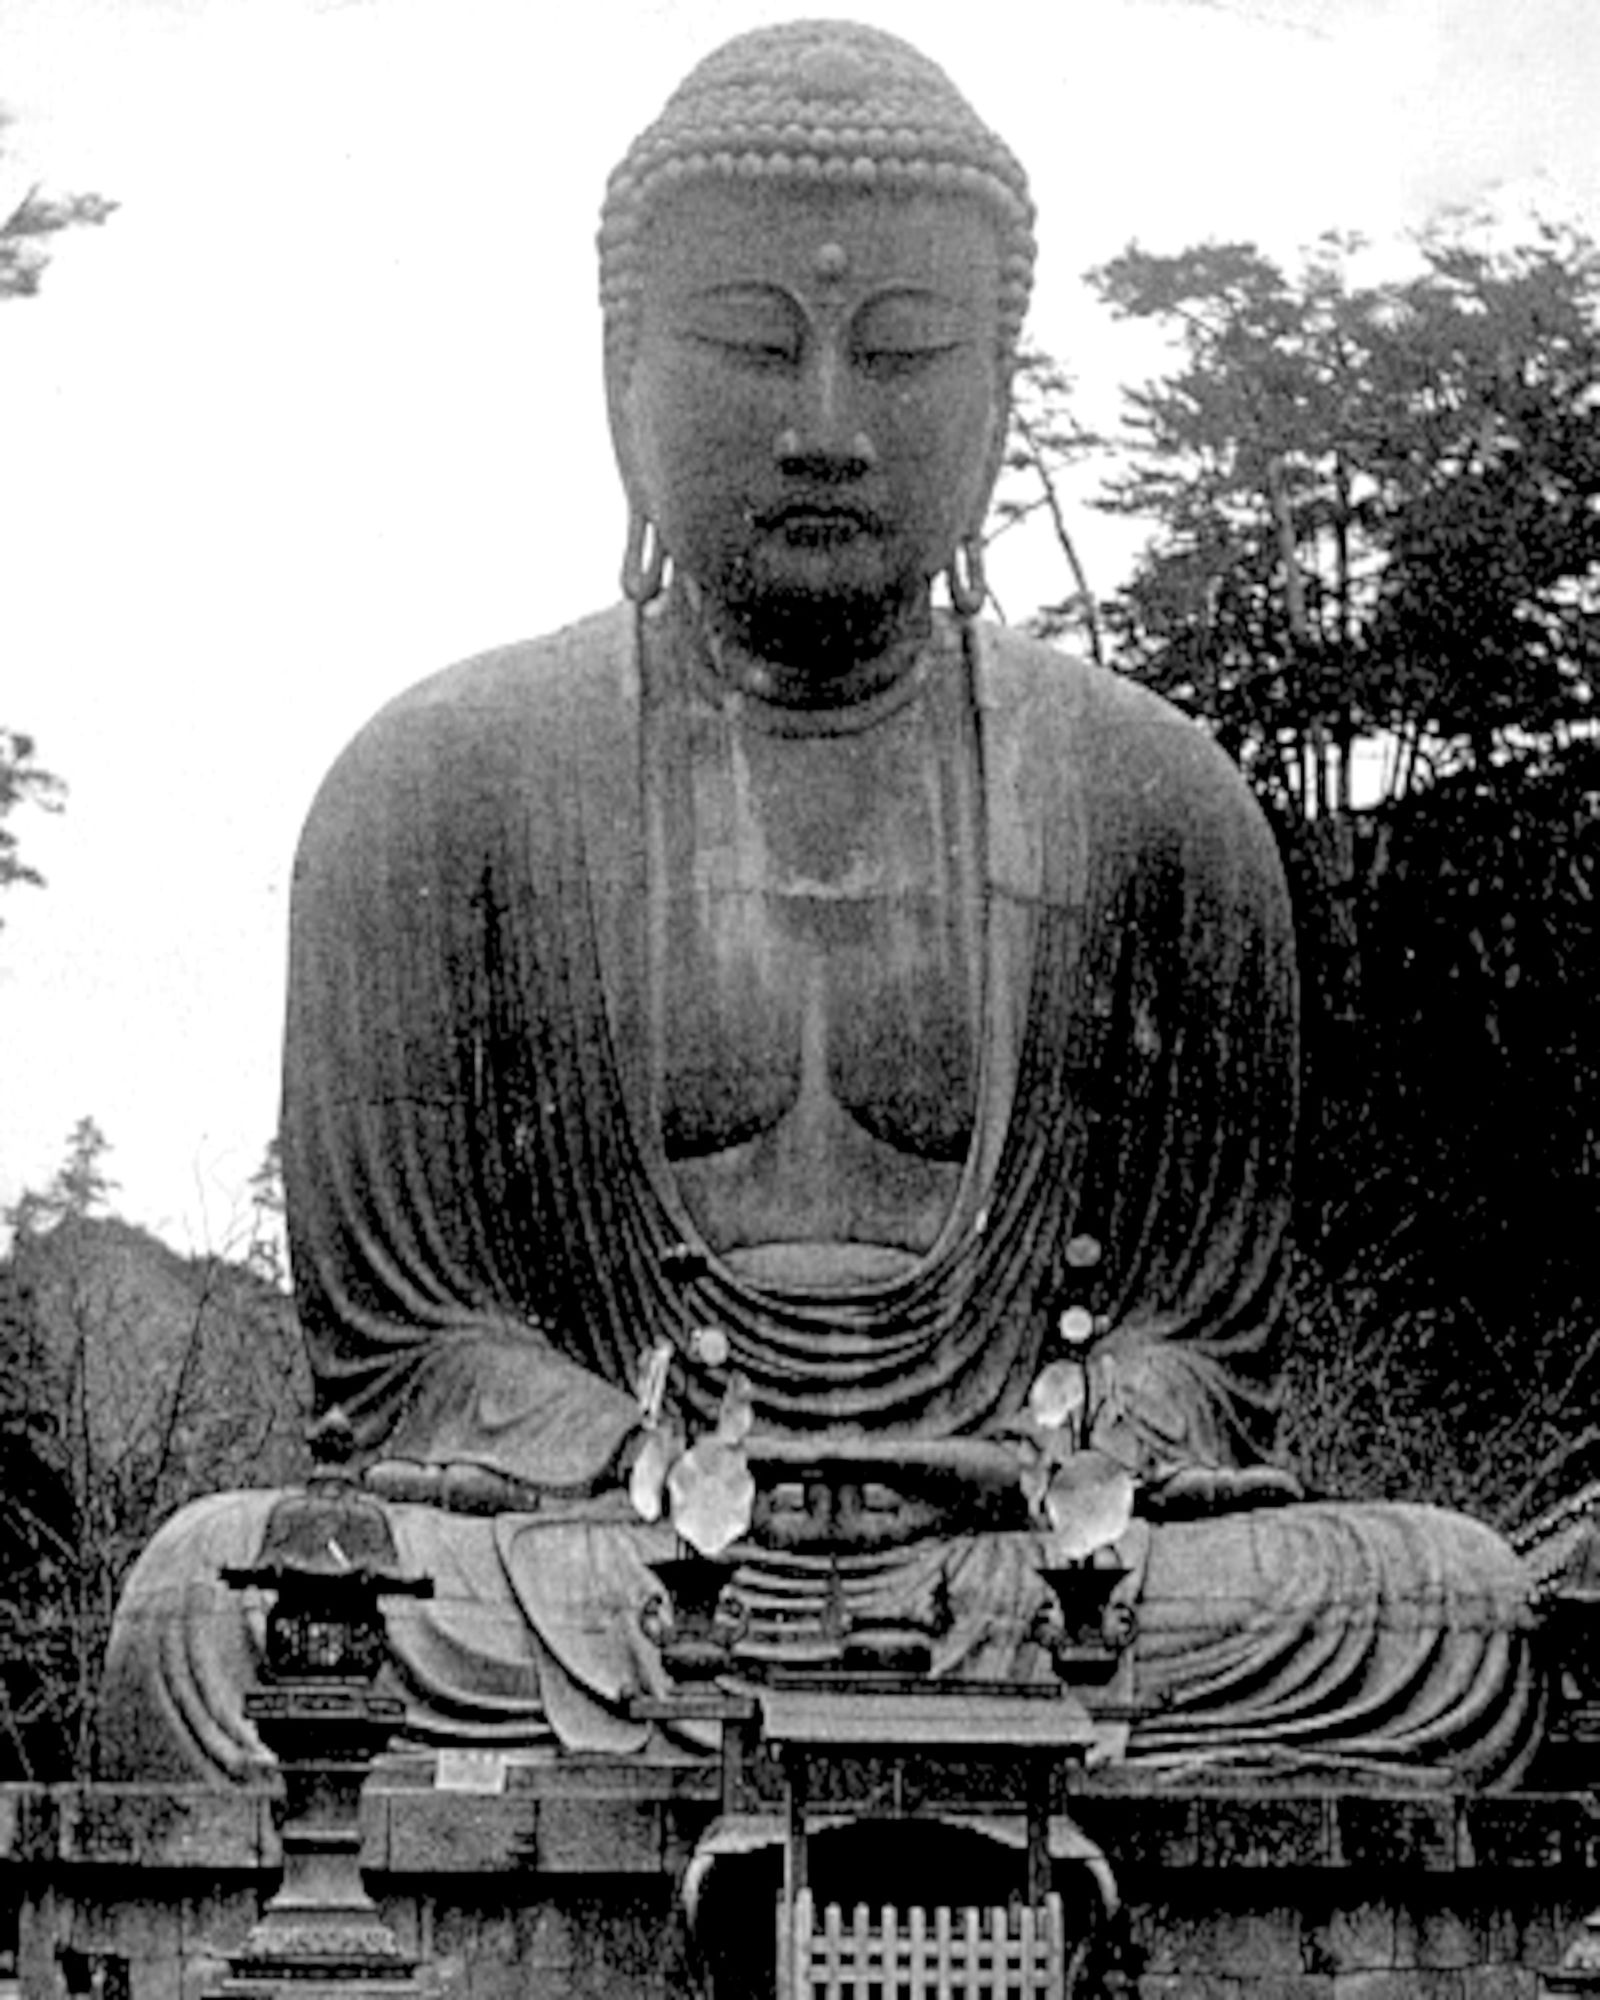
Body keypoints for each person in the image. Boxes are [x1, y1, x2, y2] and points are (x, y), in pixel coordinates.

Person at [100, 19, 1538, 1787]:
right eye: (751, 345)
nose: (828, 427)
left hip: (1025, 1567)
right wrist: (662, 1470)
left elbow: (1207, 1344)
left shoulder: (1162, 804)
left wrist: (1052, 1465)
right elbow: (403, 1350)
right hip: (605, 1568)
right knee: (203, 1614)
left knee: (1453, 1611)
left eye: (906, 352)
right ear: (623, 376)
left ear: (997, 394)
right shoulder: (438, 787)